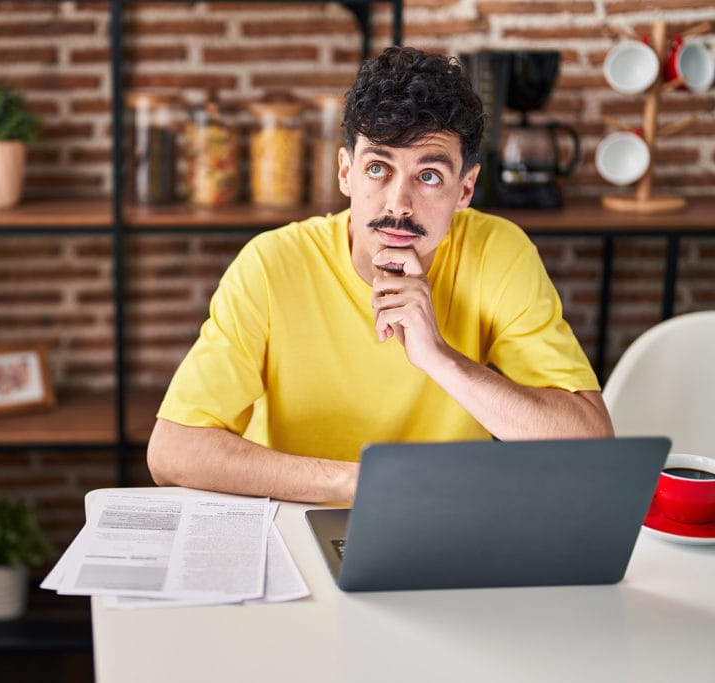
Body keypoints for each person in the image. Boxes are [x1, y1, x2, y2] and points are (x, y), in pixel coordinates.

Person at [147, 46, 613, 504]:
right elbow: (173, 451)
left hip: (440, 521)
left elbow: (590, 445)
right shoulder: (270, 264)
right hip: (296, 520)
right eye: (377, 168)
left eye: (428, 175)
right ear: (346, 173)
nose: (398, 204)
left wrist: (439, 358)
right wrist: (361, 484)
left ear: (465, 188)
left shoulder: (499, 252)